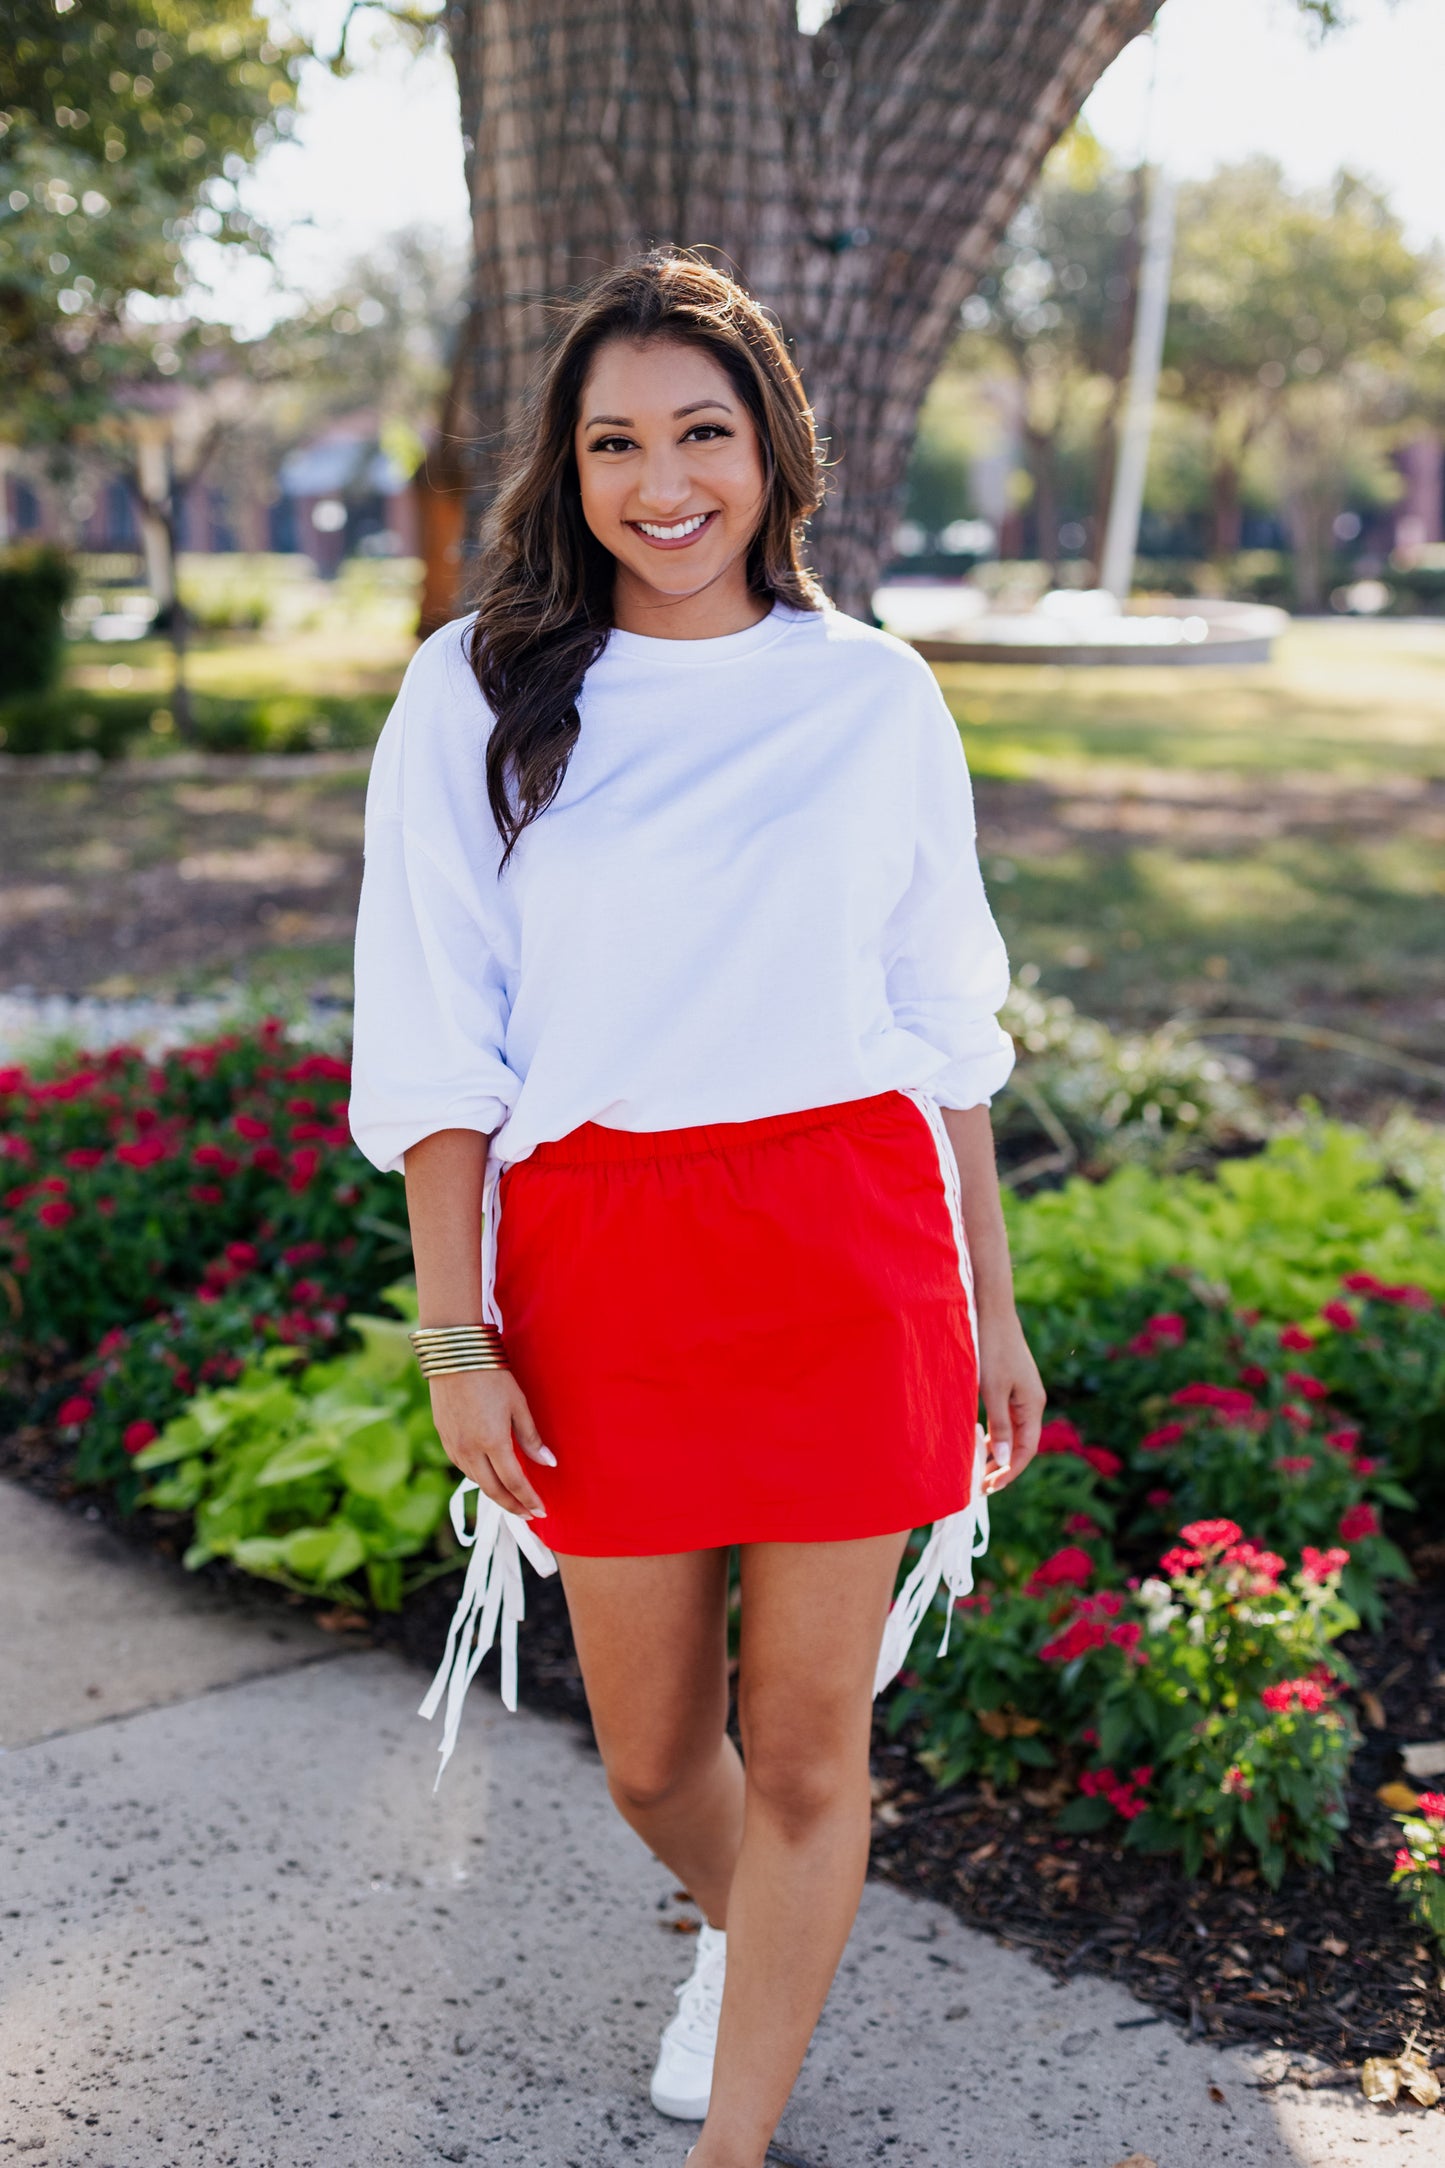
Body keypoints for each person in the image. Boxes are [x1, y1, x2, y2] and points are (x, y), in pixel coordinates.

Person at [348, 248, 1044, 2168]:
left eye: (703, 435)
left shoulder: (872, 695)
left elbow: (940, 1028)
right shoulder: (478, 686)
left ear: (774, 452)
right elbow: (433, 1041)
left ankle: (734, 2137)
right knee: (657, 1755)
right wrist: (454, 1336)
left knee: (814, 1753)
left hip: (847, 1240)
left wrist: (990, 1307)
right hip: (601, 1258)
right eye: (614, 443)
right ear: (568, 471)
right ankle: (757, 1943)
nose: (664, 483)